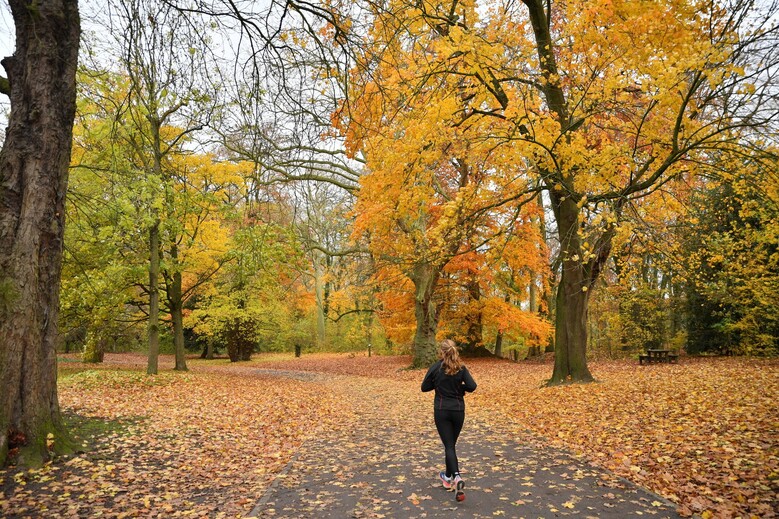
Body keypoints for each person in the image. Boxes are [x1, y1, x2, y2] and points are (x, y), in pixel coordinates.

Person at [421, 339, 477, 502]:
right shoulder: (460, 367)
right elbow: (472, 386)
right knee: (450, 446)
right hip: (458, 410)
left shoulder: (436, 367)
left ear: (442, 352)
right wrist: (461, 388)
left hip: (442, 410)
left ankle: (457, 477)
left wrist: (437, 384)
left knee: (449, 446)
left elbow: (424, 387)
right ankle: (447, 477)